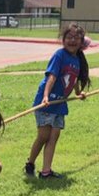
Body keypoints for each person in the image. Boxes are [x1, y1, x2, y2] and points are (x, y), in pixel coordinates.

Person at [25, 23, 90, 179]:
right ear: (63, 39)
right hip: (46, 102)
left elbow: (73, 79)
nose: (72, 40)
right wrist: (46, 96)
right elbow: (52, 76)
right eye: (69, 37)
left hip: (60, 104)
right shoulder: (59, 55)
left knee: (53, 137)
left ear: (81, 41)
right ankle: (30, 163)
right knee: (43, 136)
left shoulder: (77, 60)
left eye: (76, 38)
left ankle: (46, 171)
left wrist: (78, 93)